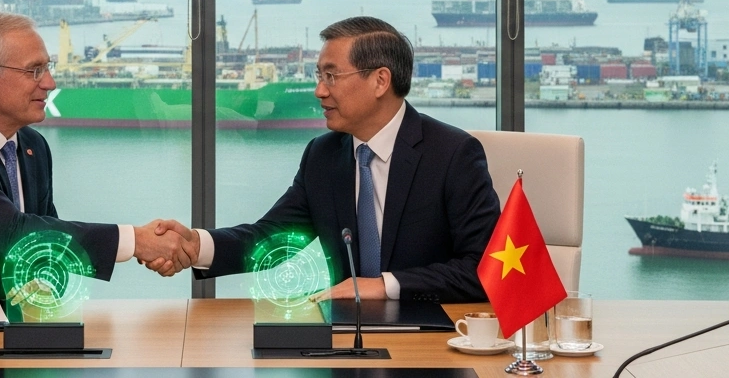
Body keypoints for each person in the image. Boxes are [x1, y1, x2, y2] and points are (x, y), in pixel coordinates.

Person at [147, 16, 500, 303]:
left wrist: (385, 286)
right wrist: (195, 246)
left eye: (331, 76)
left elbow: (486, 269)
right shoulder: (323, 155)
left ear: (380, 81)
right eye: (319, 76)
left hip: (434, 336)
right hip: (345, 337)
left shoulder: (453, 154)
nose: (319, 90)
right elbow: (273, 238)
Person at [0, 11, 192, 301]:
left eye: (48, 68)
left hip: (10, 323)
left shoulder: (33, 146)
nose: (50, 83)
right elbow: (16, 234)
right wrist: (136, 241)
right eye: (35, 70)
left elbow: (47, 243)